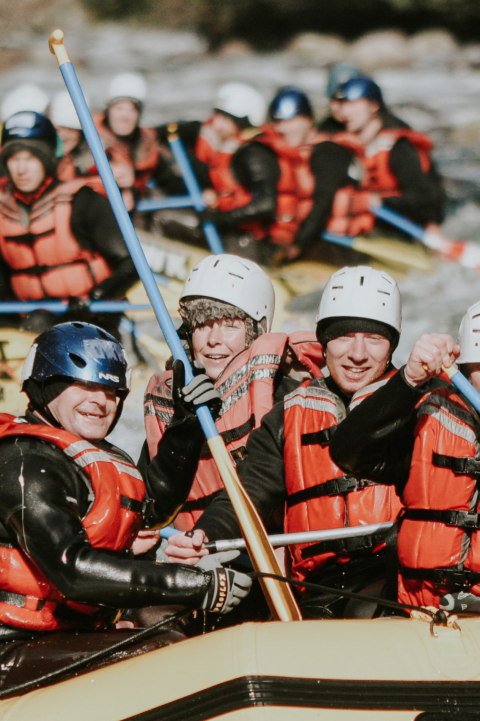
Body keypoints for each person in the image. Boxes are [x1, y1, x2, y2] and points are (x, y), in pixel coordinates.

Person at [165, 265, 403, 618]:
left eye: (374, 338)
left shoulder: (417, 405)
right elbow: (248, 494)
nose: (357, 353)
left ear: (392, 345)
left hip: (393, 572)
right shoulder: (288, 414)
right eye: (343, 337)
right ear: (324, 341)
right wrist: (204, 536)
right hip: (321, 581)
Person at [0, 322, 251, 656]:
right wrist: (193, 585)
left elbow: (152, 510)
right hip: (12, 641)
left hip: (69, 630)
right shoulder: (23, 461)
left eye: (111, 392)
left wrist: (187, 428)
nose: (100, 402)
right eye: (84, 386)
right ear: (46, 387)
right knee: (163, 649)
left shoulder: (95, 456)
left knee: (177, 626)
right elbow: (71, 569)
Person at [331, 298, 480, 610]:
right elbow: (348, 453)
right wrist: (409, 380)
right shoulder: (425, 423)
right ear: (467, 370)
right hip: (423, 614)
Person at [144, 252, 324, 532]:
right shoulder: (174, 405)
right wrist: (183, 430)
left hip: (272, 548)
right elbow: (150, 508)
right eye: (202, 325)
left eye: (229, 325)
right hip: (197, 554)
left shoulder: (287, 397)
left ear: (255, 333)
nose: (214, 340)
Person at [0, 111, 138, 336]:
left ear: (46, 160)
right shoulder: (3, 214)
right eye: (14, 159)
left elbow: (131, 265)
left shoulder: (83, 201)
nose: (21, 169)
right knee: (36, 323)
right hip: (28, 324)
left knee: (40, 323)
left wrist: (95, 297)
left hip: (91, 320)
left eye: (30, 158)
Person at [204, 87, 369, 262]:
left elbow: (322, 203)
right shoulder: (289, 154)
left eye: (291, 121)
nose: (283, 128)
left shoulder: (327, 153)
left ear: (308, 120)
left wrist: (297, 246)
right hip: (308, 240)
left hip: (336, 245)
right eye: (278, 122)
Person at [330, 76, 444, 228]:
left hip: (403, 227)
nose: (345, 112)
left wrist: (377, 202)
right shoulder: (342, 144)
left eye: (353, 104)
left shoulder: (398, 147)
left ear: (374, 106)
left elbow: (424, 200)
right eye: (343, 105)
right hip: (365, 225)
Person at [91, 73, 164, 210]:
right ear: (108, 111)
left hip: (134, 208)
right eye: (119, 108)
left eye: (132, 109)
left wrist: (133, 193)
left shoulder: (146, 143)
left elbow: (168, 176)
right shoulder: (89, 136)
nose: (125, 116)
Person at [51, 91, 96, 182]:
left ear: (81, 134)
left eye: (70, 129)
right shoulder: (39, 159)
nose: (63, 136)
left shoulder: (92, 160)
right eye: (58, 129)